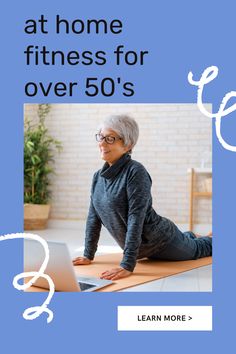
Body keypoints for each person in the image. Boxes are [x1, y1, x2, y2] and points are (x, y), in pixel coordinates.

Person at [72, 115, 212, 280]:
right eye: (101, 137)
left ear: (128, 145)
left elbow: (135, 219)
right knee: (188, 239)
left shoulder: (136, 172)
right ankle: (189, 235)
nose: (102, 143)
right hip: (142, 249)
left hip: (162, 241)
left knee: (199, 249)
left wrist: (127, 265)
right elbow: (93, 217)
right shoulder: (98, 177)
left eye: (110, 139)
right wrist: (88, 255)